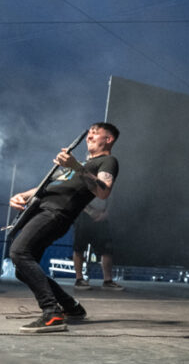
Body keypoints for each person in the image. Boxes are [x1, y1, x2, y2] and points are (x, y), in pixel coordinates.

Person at [8, 122, 120, 333]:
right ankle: (72, 307)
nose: (90, 136)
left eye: (96, 133)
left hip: (56, 214)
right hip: (43, 210)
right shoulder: (77, 167)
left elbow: (103, 191)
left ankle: (52, 313)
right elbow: (52, 186)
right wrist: (23, 195)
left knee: (19, 252)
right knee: (23, 271)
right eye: (89, 133)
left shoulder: (108, 161)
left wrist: (77, 166)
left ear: (109, 139)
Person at [72, 197, 124, 290]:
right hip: (84, 215)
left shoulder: (108, 183)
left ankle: (107, 280)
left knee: (107, 249)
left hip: (101, 216)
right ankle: (79, 279)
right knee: (79, 247)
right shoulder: (85, 182)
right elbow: (77, 197)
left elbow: (111, 199)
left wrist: (106, 213)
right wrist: (90, 212)